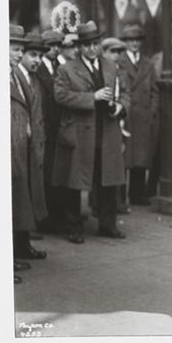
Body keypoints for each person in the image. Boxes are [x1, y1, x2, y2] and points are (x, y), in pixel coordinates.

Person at [52, 21, 130, 244]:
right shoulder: (67, 69)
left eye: (95, 44)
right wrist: (91, 98)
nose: (92, 48)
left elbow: (125, 92)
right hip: (80, 133)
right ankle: (74, 228)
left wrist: (121, 107)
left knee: (108, 179)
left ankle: (108, 225)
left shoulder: (110, 66)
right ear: (79, 47)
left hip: (107, 130)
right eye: (87, 45)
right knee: (75, 182)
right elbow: (60, 96)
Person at [11, 30, 49, 274]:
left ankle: (22, 246)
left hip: (25, 144)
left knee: (23, 198)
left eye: (20, 50)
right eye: (15, 49)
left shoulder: (22, 77)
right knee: (15, 200)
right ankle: (11, 254)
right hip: (13, 145)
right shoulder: (6, 75)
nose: (19, 54)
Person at [117, 24, 159, 207]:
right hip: (126, 114)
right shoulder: (119, 61)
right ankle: (119, 198)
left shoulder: (148, 63)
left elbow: (155, 90)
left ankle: (137, 195)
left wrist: (152, 110)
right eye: (130, 40)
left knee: (140, 157)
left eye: (137, 40)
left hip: (142, 116)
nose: (134, 43)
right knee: (123, 158)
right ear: (125, 43)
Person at [33, 30, 66, 234]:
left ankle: (56, 215)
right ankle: (43, 219)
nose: (55, 49)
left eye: (58, 45)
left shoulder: (61, 66)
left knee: (56, 173)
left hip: (59, 127)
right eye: (51, 45)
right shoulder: (38, 69)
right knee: (44, 174)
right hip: (45, 126)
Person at [100, 37, 131, 214]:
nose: (116, 56)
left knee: (118, 161)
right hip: (102, 120)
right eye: (112, 52)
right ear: (104, 52)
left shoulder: (121, 72)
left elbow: (126, 93)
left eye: (119, 52)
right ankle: (98, 204)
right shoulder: (99, 69)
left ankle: (118, 201)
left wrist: (122, 106)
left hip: (118, 119)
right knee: (102, 163)